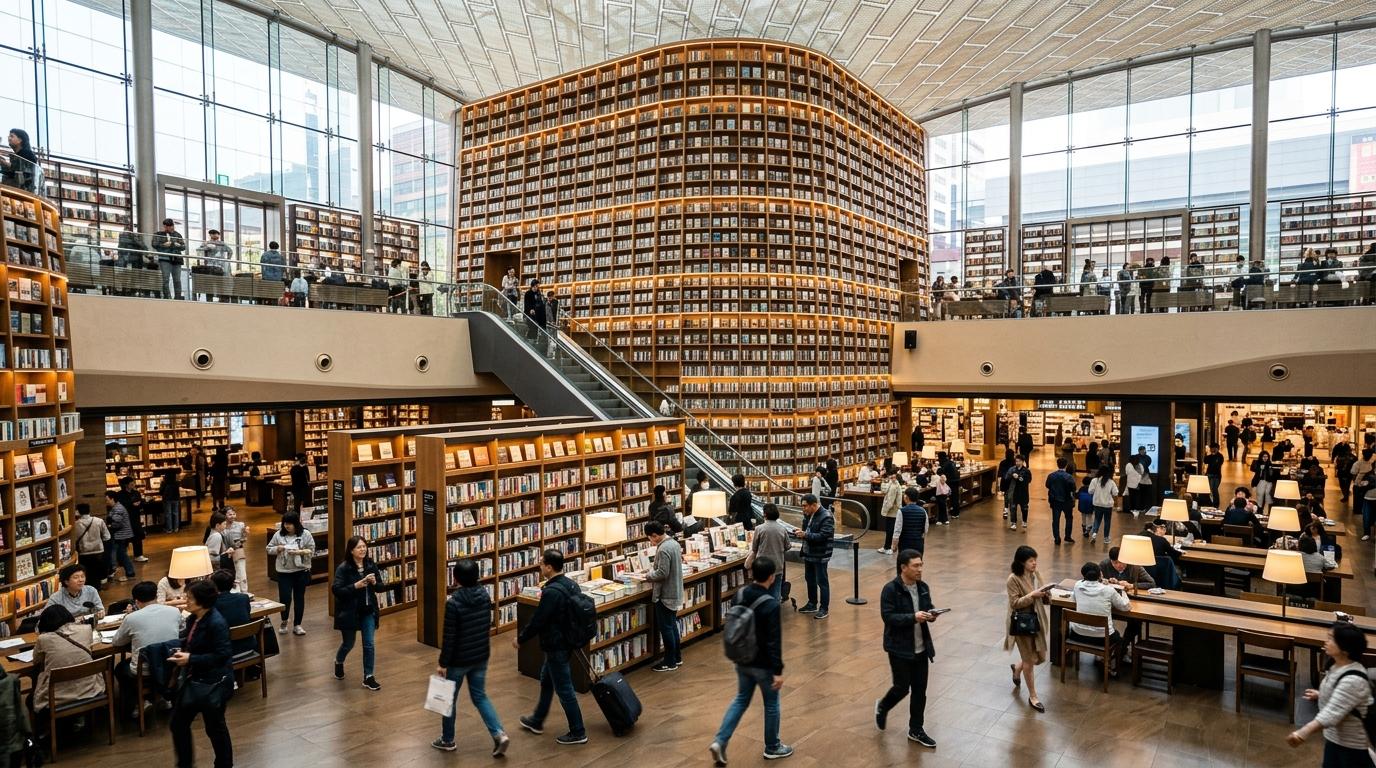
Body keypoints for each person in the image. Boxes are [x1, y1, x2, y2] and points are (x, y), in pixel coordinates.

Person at [707, 556, 790, 765]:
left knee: (741, 699)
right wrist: (778, 670)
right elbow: (774, 640)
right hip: (763, 664)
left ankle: (720, 740)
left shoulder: (740, 593)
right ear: (772, 577)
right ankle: (772, 746)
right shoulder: (771, 604)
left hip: (742, 658)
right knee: (771, 704)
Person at [433, 559, 509, 757]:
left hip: (458, 660)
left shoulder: (454, 603)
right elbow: (486, 624)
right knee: (480, 696)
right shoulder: (484, 595)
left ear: (456, 578)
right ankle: (499, 733)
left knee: (448, 699)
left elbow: (449, 637)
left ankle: (447, 740)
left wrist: (443, 663)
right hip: (480, 655)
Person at [513, 549, 586, 746]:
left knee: (564, 689)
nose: (539, 566)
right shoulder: (571, 584)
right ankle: (537, 720)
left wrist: (521, 638)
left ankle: (578, 731)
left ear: (549, 567)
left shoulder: (551, 591)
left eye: (541, 563)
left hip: (556, 645)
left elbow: (539, 620)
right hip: (567, 641)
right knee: (547, 680)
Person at [1285, 622, 1374, 766]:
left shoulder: (1353, 680)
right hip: (1335, 740)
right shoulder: (1337, 665)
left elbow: (1331, 715)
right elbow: (1341, 697)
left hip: (1350, 749)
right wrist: (1321, 694)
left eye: (1331, 638)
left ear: (1345, 649)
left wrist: (1302, 733)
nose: (1326, 641)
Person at [876, 549, 939, 749]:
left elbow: (927, 607)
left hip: (922, 648)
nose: (920, 569)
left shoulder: (923, 587)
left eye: (921, 565)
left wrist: (931, 614)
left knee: (920, 690)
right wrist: (913, 617)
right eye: (916, 566)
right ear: (903, 567)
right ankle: (883, 706)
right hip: (899, 648)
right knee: (902, 687)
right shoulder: (890, 589)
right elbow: (888, 617)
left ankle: (916, 729)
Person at [169, 580, 234, 768]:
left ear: (201, 601)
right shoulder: (193, 619)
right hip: (195, 680)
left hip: (213, 683)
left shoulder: (216, 623)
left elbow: (222, 656)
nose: (185, 600)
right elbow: (191, 642)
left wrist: (191, 659)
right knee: (178, 723)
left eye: (189, 598)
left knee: (215, 728)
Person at [111, 581, 181, 718]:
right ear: (156, 595)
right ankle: (162, 697)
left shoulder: (132, 618)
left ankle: (139, 703)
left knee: (120, 669)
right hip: (171, 663)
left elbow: (117, 642)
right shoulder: (174, 611)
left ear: (136, 601)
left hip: (144, 669)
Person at [31, 605, 104, 723]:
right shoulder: (86, 629)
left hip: (56, 697)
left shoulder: (44, 639)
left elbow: (36, 660)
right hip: (89, 688)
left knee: (30, 699)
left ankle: (46, 729)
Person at [333, 535, 386, 691]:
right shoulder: (343, 568)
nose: (363, 549)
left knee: (369, 644)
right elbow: (336, 590)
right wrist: (355, 586)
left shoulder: (370, 564)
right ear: (351, 550)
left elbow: (381, 587)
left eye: (364, 546)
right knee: (348, 644)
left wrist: (376, 583)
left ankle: (368, 676)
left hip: (368, 610)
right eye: (359, 547)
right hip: (350, 612)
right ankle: (338, 661)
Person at [1005, 545, 1052, 713]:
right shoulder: (1013, 579)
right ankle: (1033, 695)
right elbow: (1015, 603)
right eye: (1031, 561)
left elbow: (1043, 597)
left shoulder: (1035, 575)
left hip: (1037, 621)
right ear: (1022, 562)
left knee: (1040, 656)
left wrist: (1046, 595)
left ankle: (1017, 667)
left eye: (1035, 560)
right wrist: (1033, 595)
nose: (1034, 564)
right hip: (1022, 624)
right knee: (1029, 661)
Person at [1068, 562, 1130, 674]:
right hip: (1102, 638)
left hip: (1078, 634)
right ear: (1100, 575)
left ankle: (1101, 658)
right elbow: (1125, 607)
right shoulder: (1108, 590)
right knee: (1119, 639)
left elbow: (1074, 599)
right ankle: (1113, 664)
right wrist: (1124, 593)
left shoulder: (1077, 585)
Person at [644, 521, 684, 671]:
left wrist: (648, 575)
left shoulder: (663, 549)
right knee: (672, 626)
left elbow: (662, 573)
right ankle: (676, 657)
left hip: (666, 594)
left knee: (666, 628)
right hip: (674, 591)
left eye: (650, 538)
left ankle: (669, 662)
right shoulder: (674, 543)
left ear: (654, 535)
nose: (651, 541)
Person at [268, 512, 315, 635]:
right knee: (285, 597)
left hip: (301, 571)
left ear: (296, 524)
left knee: (299, 598)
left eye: (290, 524)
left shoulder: (305, 534)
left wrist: (299, 552)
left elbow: (312, 550)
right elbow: (269, 548)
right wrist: (277, 548)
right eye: (285, 524)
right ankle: (284, 621)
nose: (287, 526)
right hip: (284, 572)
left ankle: (297, 624)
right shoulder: (278, 535)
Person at [792, 493, 833, 619]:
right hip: (809, 552)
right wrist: (801, 532)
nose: (803, 509)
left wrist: (805, 535)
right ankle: (812, 604)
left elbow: (823, 536)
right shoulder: (809, 515)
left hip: (820, 554)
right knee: (809, 579)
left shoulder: (826, 517)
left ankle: (824, 608)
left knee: (822, 581)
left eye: (805, 506)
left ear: (814, 505)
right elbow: (809, 530)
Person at [747, 503, 790, 601]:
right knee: (776, 592)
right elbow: (788, 546)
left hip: (761, 565)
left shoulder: (759, 528)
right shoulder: (782, 529)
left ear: (765, 514)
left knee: (761, 591)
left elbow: (754, 548)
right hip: (777, 565)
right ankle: (774, 612)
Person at [73, 502, 110, 588]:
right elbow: (107, 536)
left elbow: (74, 539)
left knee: (86, 572)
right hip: (98, 551)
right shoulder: (98, 521)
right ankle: (97, 587)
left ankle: (88, 589)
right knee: (96, 571)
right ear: (89, 510)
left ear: (78, 511)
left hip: (84, 552)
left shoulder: (76, 524)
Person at [105, 489, 136, 582]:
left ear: (112, 499)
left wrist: (110, 525)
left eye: (107, 499)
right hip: (121, 535)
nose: (106, 502)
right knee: (121, 554)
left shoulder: (118, 508)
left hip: (121, 535)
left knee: (122, 555)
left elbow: (117, 523)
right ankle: (127, 572)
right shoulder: (116, 508)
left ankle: (129, 573)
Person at [151, 218, 187, 300]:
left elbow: (183, 247)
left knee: (177, 280)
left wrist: (178, 245)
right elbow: (154, 244)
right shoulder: (158, 234)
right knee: (165, 279)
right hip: (165, 258)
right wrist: (164, 245)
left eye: (172, 226)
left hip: (177, 259)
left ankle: (177, 297)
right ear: (165, 226)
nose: (171, 228)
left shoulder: (178, 235)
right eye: (169, 226)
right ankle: (167, 297)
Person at [1046, 457, 1076, 544]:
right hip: (1067, 500)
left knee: (1055, 520)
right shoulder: (1069, 477)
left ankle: (1057, 538)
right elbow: (1073, 488)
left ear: (1057, 464)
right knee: (1069, 518)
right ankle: (1067, 536)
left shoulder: (1051, 475)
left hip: (1055, 500)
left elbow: (1047, 485)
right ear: (1066, 465)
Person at [892, 486, 929, 560]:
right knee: (916, 564)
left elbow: (897, 530)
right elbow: (926, 529)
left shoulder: (901, 511)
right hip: (918, 543)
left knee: (904, 565)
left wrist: (894, 545)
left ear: (906, 497)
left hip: (905, 544)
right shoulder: (923, 511)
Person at [1087, 465, 1119, 544]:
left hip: (1097, 504)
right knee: (1107, 521)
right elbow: (1116, 493)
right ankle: (1106, 538)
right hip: (1107, 505)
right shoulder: (1111, 482)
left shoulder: (1095, 480)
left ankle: (1094, 534)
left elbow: (1090, 491)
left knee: (1097, 520)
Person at [1003, 454, 1032, 530]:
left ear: (1023, 462)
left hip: (1023, 492)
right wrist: (1012, 475)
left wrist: (1019, 477)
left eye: (1019, 461)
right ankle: (1013, 523)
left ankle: (1024, 521)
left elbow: (1028, 480)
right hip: (1014, 492)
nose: (1017, 463)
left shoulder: (1026, 471)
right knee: (1013, 507)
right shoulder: (1012, 469)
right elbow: (1006, 478)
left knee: (1024, 508)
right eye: (1016, 461)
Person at [877, 469, 902, 554]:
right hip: (893, 511)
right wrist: (884, 482)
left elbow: (890, 501)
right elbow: (884, 490)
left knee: (890, 530)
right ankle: (887, 547)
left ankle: (889, 547)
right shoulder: (892, 483)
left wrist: (885, 511)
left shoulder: (894, 486)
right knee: (890, 530)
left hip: (892, 512)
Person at [522, 277, 547, 345]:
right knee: (532, 326)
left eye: (538, 287)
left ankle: (536, 338)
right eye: (536, 286)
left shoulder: (538, 294)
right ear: (533, 286)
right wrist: (531, 309)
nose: (537, 288)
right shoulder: (528, 293)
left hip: (537, 312)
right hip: (529, 312)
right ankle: (530, 341)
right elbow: (527, 304)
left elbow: (540, 303)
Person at [160, 468, 182, 533]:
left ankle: (169, 529)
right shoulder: (176, 482)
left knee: (168, 514)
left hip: (167, 499)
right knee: (176, 513)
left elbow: (161, 492)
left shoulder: (164, 482)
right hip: (175, 498)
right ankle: (176, 528)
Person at [1202, 442, 1224, 507]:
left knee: (1214, 490)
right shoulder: (1210, 456)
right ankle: (1208, 503)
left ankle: (1216, 504)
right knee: (1208, 489)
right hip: (1209, 475)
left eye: (1215, 448)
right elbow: (1205, 461)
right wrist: (1207, 454)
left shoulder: (1220, 456)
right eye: (1212, 448)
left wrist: (1212, 456)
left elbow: (1217, 465)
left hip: (1216, 476)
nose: (1213, 450)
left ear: (1218, 449)